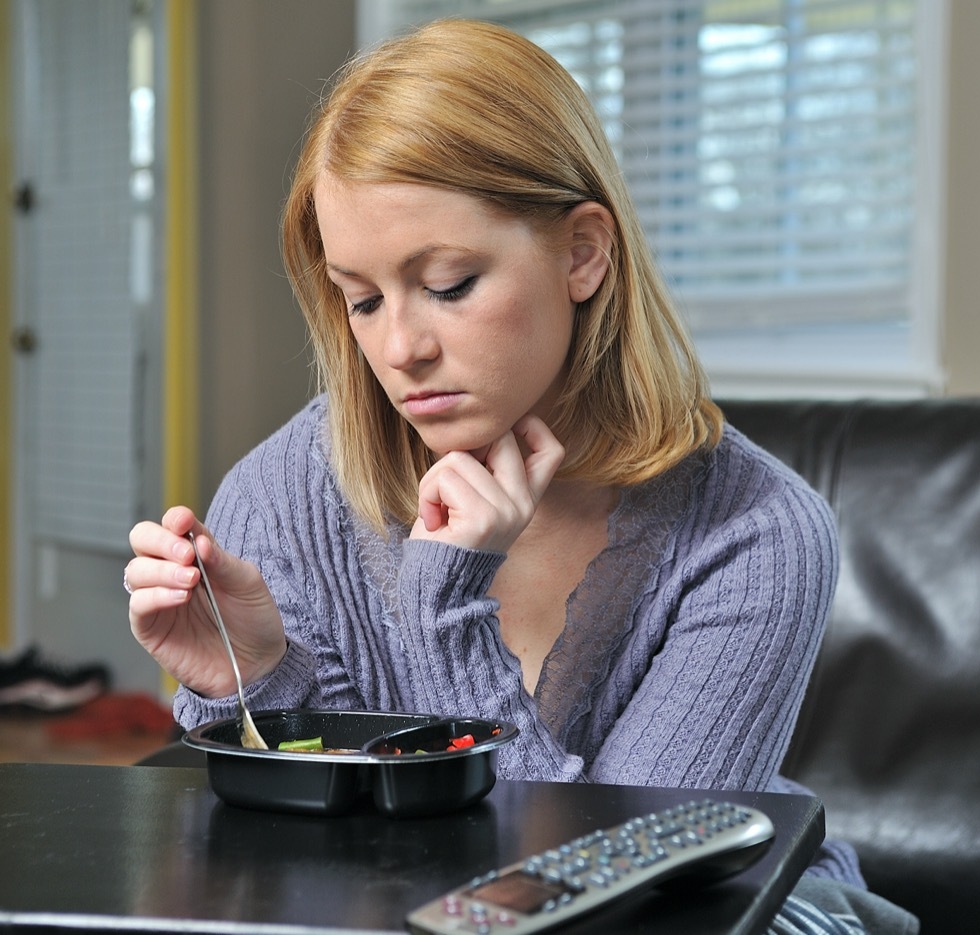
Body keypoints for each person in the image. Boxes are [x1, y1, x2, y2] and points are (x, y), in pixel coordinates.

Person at [124, 18, 916, 934]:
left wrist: (446, 609)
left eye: (451, 283)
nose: (400, 348)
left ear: (583, 254)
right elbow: (311, 869)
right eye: (364, 298)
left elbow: (610, 892)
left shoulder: (759, 533)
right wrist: (255, 678)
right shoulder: (280, 496)